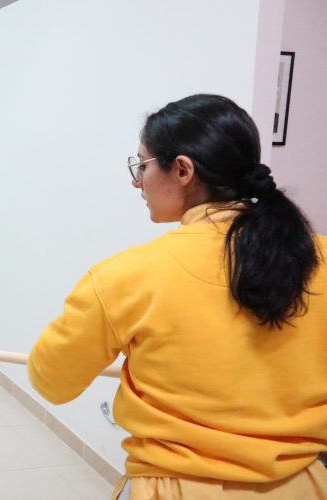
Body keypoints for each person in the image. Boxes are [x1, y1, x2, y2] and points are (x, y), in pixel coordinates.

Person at [27, 94, 327, 499]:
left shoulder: (127, 276)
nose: (137, 181)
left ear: (182, 169)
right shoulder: (319, 258)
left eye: (143, 165)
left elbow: (51, 381)